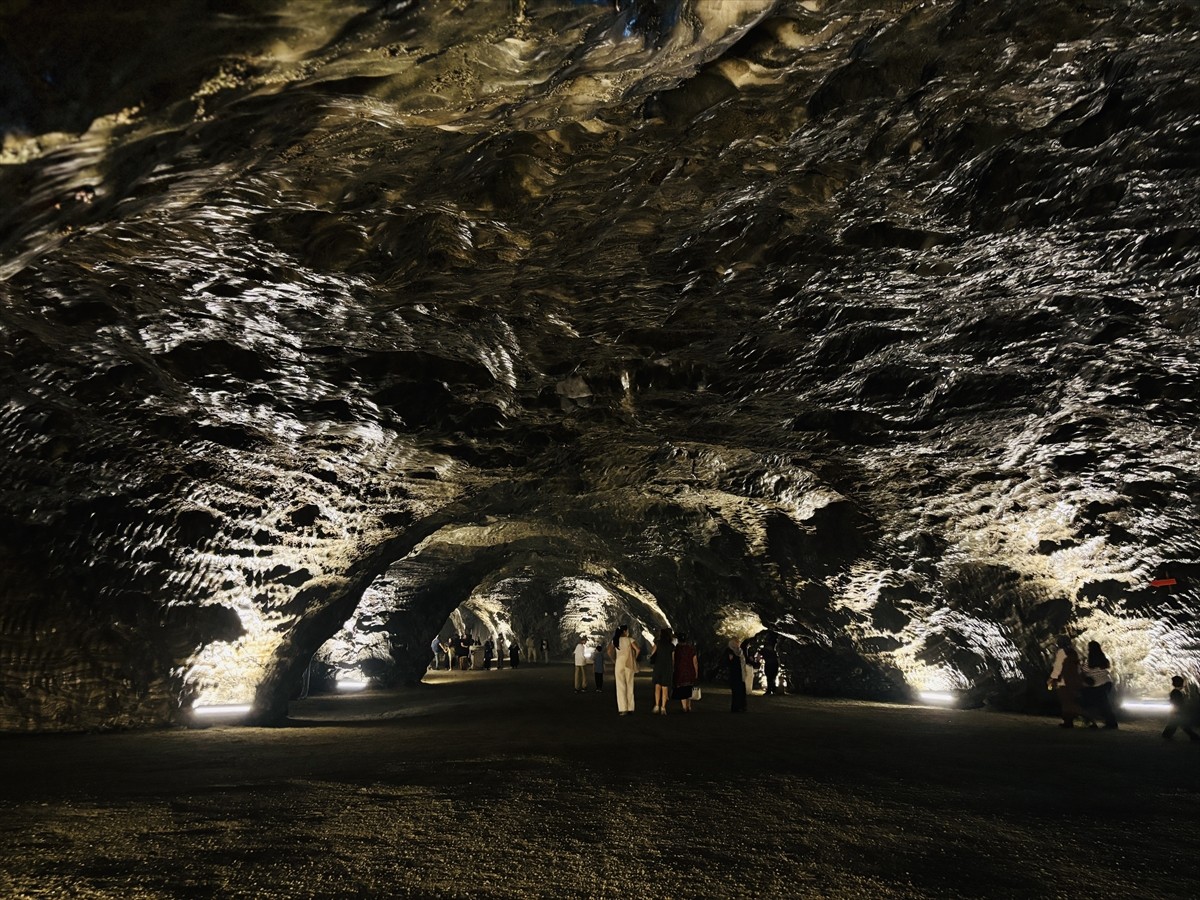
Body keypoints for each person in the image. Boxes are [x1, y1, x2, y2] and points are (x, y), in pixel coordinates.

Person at [1046, 635, 1084, 727]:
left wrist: (1052, 678)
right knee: (1070, 701)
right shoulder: (1073, 652)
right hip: (1073, 680)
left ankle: (1070, 720)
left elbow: (1058, 667)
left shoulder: (1062, 652)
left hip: (1063, 680)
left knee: (1066, 702)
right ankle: (1070, 720)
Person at [1079, 640, 1118, 729]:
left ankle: (1095, 722)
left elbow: (1083, 671)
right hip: (1107, 683)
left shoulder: (1089, 662)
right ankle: (1110, 722)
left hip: (1097, 685)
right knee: (1104, 704)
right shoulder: (1104, 660)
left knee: (1095, 704)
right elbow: (1107, 669)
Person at [608, 624, 640, 715]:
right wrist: (634, 658)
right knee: (630, 684)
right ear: (625, 631)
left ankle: (623, 708)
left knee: (620, 685)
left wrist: (614, 659)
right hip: (628, 663)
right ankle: (630, 708)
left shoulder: (615, 640)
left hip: (619, 663)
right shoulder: (629, 639)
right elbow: (638, 649)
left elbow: (609, 651)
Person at [1162, 675, 1200, 742]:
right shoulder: (1176, 693)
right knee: (1181, 724)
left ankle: (1166, 734)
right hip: (1178, 711)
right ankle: (1194, 736)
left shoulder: (1175, 692)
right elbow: (1177, 703)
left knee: (1177, 723)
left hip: (1177, 711)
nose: (1183, 685)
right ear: (1180, 684)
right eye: (1182, 683)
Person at [650, 627, 675, 715]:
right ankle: (663, 708)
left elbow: (652, 653)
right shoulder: (671, 646)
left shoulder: (657, 643)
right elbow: (673, 659)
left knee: (657, 687)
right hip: (667, 668)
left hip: (658, 666)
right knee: (665, 688)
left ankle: (656, 705)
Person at [672, 632, 699, 713]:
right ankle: (689, 706)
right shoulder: (691, 649)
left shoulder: (676, 649)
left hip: (680, 671)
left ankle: (684, 707)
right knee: (689, 688)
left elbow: (673, 660)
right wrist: (696, 672)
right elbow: (695, 661)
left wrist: (673, 669)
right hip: (690, 671)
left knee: (682, 689)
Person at [725, 638, 748, 713]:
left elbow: (743, 661)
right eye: (736, 642)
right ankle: (735, 707)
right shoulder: (730, 651)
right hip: (734, 674)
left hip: (741, 674)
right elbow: (728, 662)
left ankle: (742, 706)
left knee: (741, 691)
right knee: (736, 692)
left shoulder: (740, 651)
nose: (738, 643)